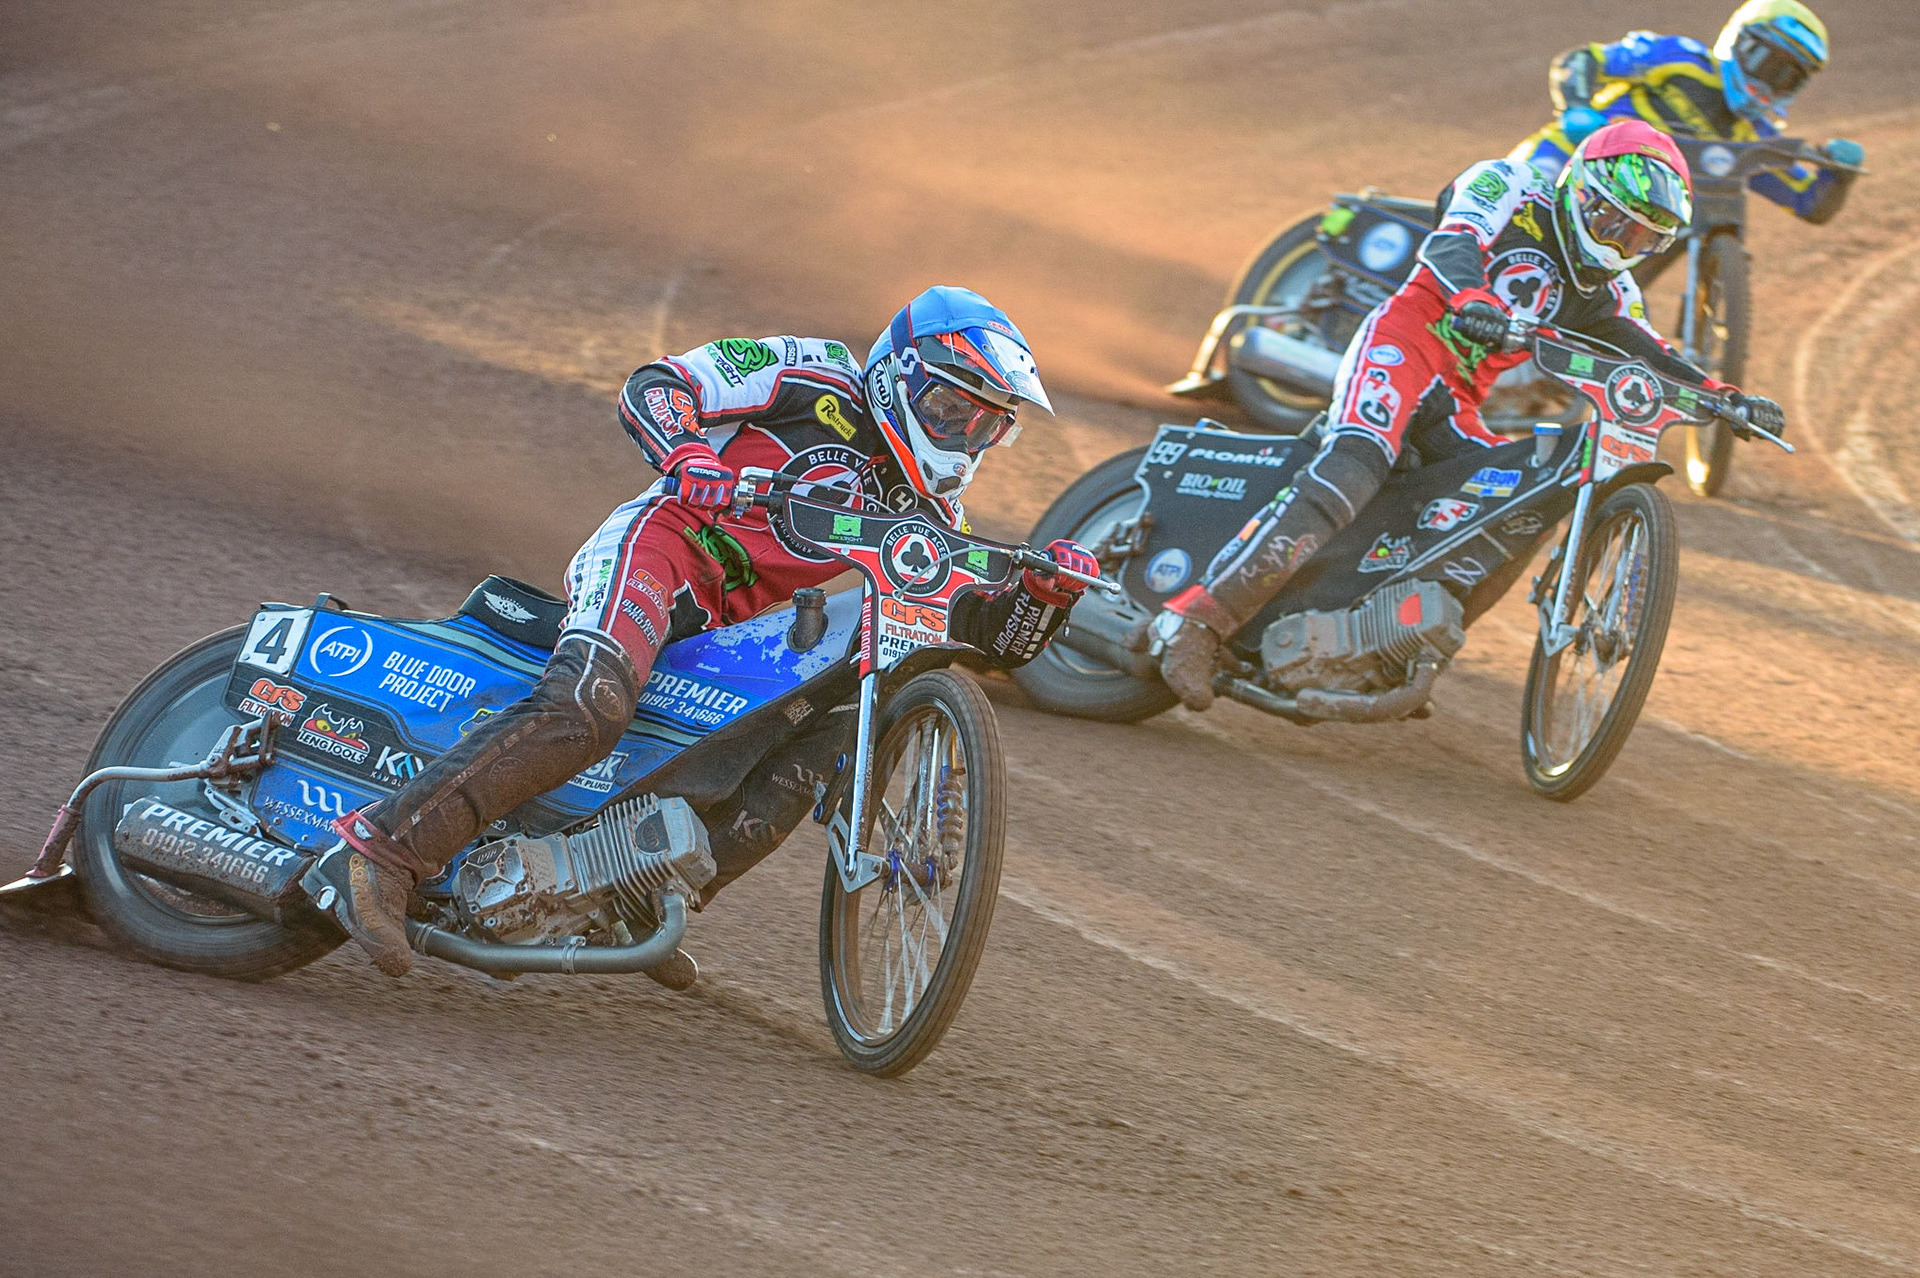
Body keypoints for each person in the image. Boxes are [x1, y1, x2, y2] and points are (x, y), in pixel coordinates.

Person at [302, 286, 1098, 976]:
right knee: (591, 706)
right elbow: (657, 385)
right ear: (899, 375)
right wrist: (687, 452)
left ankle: (629, 894)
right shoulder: (809, 369)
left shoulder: (932, 518)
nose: (962, 434)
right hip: (663, 551)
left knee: (829, 733)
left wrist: (1042, 593)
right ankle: (378, 852)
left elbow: (989, 643)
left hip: (740, 630)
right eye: (952, 407)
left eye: (985, 424)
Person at [1151, 121, 1784, 710]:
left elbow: (1651, 353)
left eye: (1643, 238)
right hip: (1402, 348)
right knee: (1353, 468)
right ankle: (1195, 620)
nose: (1625, 244)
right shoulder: (1510, 187)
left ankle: (1396, 644)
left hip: (1457, 398)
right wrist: (1473, 297)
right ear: (1586, 191)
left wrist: (1724, 398)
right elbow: (1453, 241)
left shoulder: (1612, 291)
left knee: (1516, 508)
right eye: (1618, 223)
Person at [1509, 1, 1861, 227]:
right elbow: (1582, 60)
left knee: (1679, 223)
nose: (1766, 84)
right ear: (1739, 40)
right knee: (1521, 195)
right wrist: (1577, 109)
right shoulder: (1677, 57)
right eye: (1765, 63)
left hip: (1626, 215)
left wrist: (1838, 177)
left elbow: (1809, 204)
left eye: (1788, 79)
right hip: (1573, 153)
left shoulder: (1752, 136)